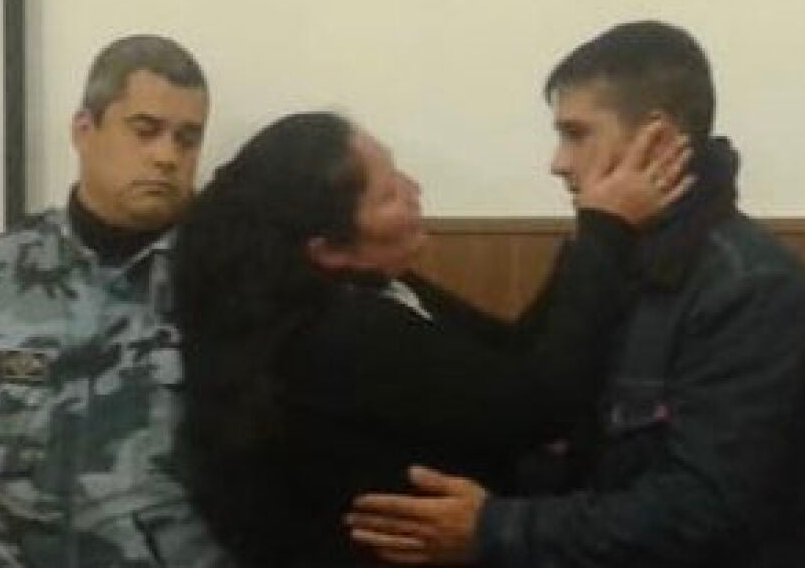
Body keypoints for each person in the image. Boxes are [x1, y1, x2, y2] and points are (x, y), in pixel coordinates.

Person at [348, 20, 805, 568]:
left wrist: (495, 528)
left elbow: (702, 510)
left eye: (576, 135)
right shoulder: (611, 258)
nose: (557, 163)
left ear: (656, 139)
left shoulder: (750, 288)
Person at [170, 110, 692, 567]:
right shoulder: (338, 333)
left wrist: (589, 234)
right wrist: (606, 233)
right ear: (329, 250)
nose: (414, 189)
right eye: (389, 194)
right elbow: (538, 406)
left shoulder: (373, 285)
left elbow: (508, 351)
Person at [0, 35, 234, 566]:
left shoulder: (236, 284)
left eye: (187, 139)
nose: (167, 156)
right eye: (145, 130)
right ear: (84, 130)